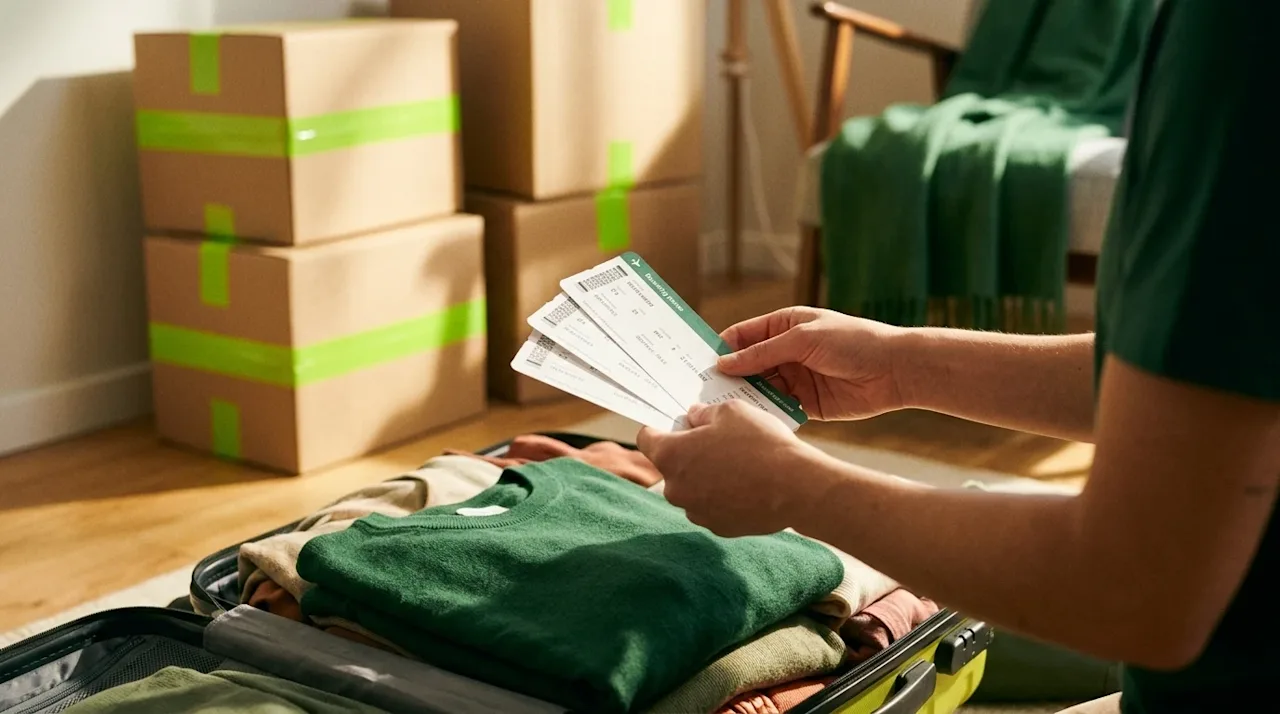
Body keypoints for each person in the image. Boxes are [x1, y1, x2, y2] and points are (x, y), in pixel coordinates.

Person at [636, 1, 1278, 712]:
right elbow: (1212, 381)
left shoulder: (1240, 43)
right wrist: (903, 362)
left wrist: (795, 489)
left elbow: (1140, 588)